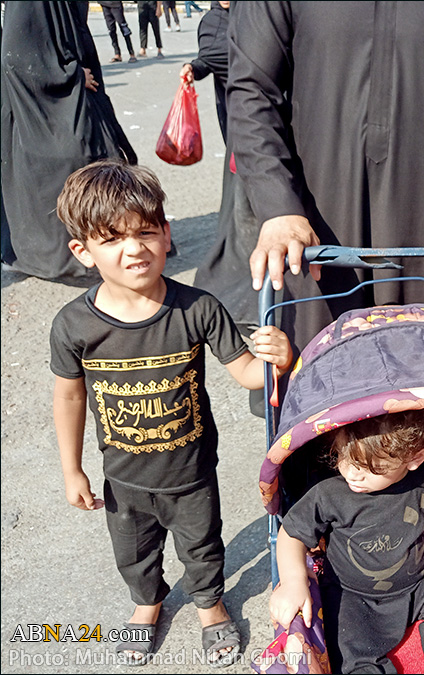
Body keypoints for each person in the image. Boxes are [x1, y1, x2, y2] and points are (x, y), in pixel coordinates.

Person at [50, 161, 295, 666]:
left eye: (146, 232)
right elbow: (70, 398)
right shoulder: (74, 325)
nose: (134, 248)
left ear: (166, 234)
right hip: (123, 477)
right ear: (83, 251)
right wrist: (72, 468)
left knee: (201, 545)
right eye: (113, 238)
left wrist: (280, 358)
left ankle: (210, 607)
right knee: (134, 555)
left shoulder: (197, 308)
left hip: (191, 472)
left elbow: (248, 372)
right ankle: (148, 605)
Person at [204, 3, 424, 355]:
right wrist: (278, 207)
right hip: (314, 229)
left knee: (420, 380)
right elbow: (252, 93)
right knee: (316, 375)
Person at [269, 409, 424, 672]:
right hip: (353, 595)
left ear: (414, 459)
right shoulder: (330, 494)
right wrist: (293, 581)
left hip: (422, 580)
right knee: (350, 651)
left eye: (371, 468)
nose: (353, 474)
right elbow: (292, 532)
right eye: (344, 457)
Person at [1, 1, 136, 284]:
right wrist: (72, 75)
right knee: (73, 158)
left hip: (76, 97)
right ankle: (67, 254)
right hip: (47, 107)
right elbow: (18, 56)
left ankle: (110, 242)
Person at [180, 1, 231, 142]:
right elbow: (207, 59)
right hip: (231, 105)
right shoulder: (212, 21)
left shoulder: (255, 17)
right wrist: (192, 68)